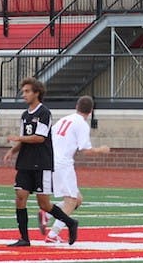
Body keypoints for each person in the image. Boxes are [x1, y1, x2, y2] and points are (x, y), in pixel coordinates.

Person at [2, 78, 80, 247]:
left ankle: (71, 223)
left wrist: (18, 137)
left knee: (44, 204)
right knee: (20, 196)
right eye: (23, 92)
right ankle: (24, 238)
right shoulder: (25, 115)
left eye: (27, 91)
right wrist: (12, 150)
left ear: (37, 93)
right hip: (25, 162)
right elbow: (23, 140)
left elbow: (39, 137)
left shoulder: (44, 113)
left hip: (41, 162)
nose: (24, 95)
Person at [40, 96, 111, 244]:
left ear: (77, 106)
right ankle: (53, 235)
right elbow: (85, 150)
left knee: (78, 199)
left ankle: (47, 214)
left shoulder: (65, 119)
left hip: (51, 160)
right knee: (71, 201)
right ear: (91, 111)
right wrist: (101, 150)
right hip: (63, 164)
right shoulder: (82, 124)